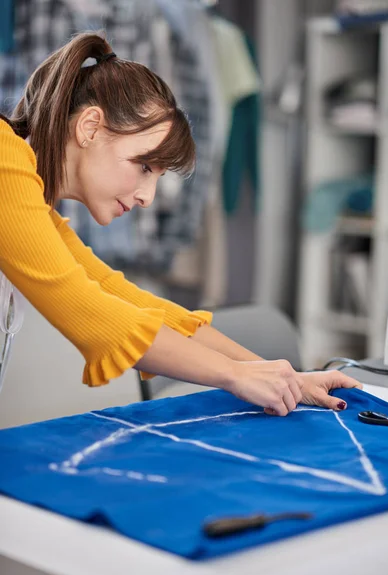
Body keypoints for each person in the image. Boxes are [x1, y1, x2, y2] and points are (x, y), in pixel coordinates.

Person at [0, 32, 361, 417]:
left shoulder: (33, 204)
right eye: (143, 167)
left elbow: (125, 298)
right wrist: (235, 375)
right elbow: (93, 314)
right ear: (90, 127)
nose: (147, 197)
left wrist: (283, 376)